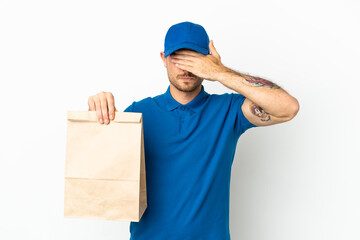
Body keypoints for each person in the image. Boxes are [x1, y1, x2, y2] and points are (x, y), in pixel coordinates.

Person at [88, 21, 299, 240]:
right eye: (178, 58)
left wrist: (220, 72)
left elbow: (288, 108)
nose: (186, 68)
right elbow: (98, 169)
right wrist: (96, 113)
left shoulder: (228, 111)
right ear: (164, 59)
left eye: (195, 60)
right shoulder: (138, 113)